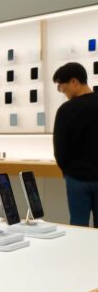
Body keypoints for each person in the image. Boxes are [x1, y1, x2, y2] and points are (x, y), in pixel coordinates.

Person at [52, 62, 98, 227]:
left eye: (61, 86)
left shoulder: (66, 110)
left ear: (73, 82)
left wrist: (66, 171)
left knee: (78, 226)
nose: (61, 90)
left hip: (77, 178)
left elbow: (60, 148)